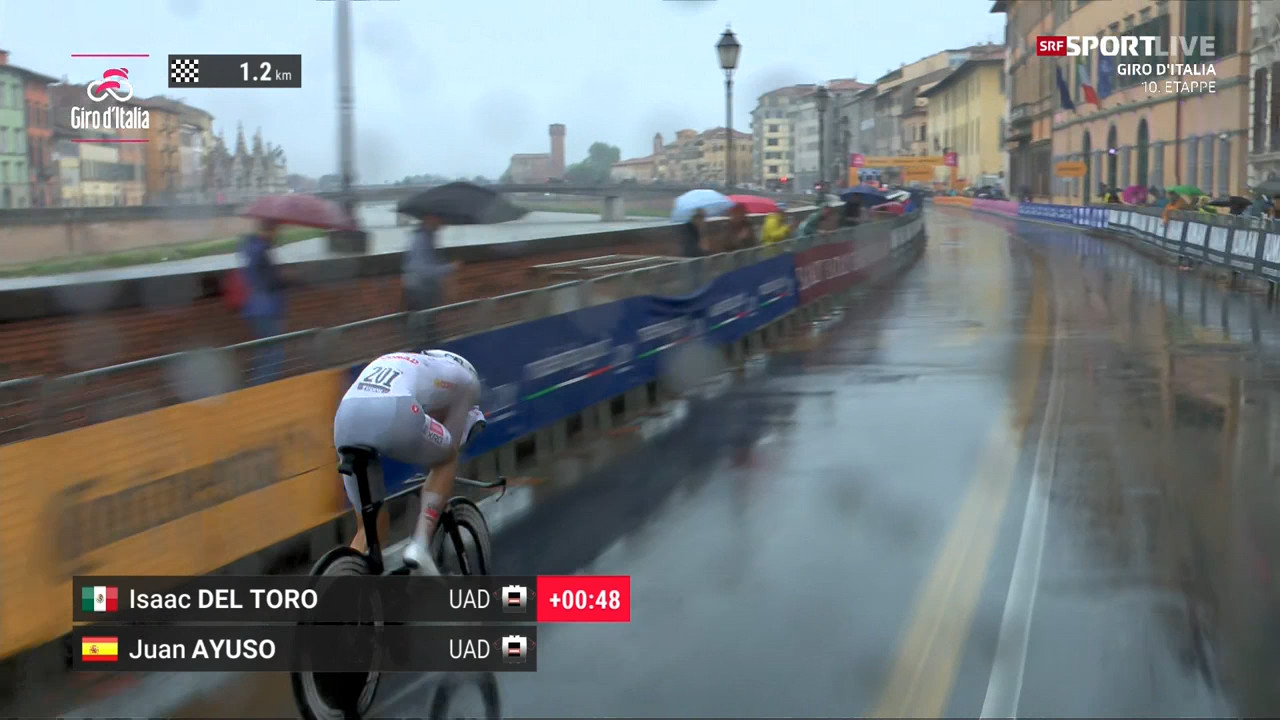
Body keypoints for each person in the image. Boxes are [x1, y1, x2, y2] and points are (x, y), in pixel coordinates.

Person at [333, 348, 487, 575]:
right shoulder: (467, 381)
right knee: (448, 457)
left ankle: (347, 581)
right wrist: (438, 489)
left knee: (370, 526)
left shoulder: (412, 362)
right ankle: (420, 546)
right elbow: (450, 443)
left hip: (345, 417)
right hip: (393, 409)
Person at [239, 219, 287, 383]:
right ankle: (263, 387)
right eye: (276, 231)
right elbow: (267, 281)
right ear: (269, 231)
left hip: (255, 308)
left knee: (264, 352)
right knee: (274, 353)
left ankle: (258, 388)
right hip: (267, 308)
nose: (277, 234)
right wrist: (283, 276)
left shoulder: (251, 248)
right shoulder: (262, 251)